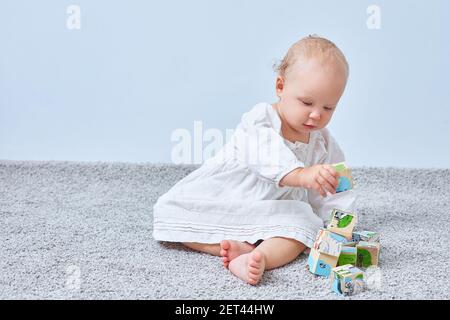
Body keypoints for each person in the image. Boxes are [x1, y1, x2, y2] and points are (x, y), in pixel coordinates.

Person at [152, 35, 357, 285]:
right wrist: (302, 175)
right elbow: (265, 155)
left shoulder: (322, 141)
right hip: (234, 197)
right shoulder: (261, 119)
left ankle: (257, 256)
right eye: (307, 102)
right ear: (280, 87)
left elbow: (335, 187)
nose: (316, 114)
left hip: (277, 211)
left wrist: (340, 225)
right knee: (172, 210)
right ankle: (226, 246)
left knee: (305, 226)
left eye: (328, 108)